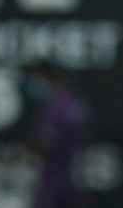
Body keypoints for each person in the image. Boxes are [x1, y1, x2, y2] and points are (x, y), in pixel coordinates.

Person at [21, 61, 88, 208]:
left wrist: (20, 155)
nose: (31, 83)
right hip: (71, 177)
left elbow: (44, 143)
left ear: (46, 76)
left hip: (55, 180)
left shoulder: (56, 106)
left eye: (34, 77)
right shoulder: (73, 100)